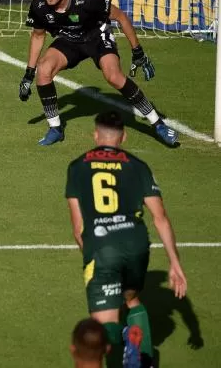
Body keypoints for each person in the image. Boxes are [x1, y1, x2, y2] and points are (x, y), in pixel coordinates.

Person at [65, 111, 188, 368]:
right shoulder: (138, 166)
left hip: (102, 248)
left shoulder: (77, 167)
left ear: (95, 135)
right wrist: (175, 263)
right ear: (124, 136)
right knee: (131, 299)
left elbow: (78, 228)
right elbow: (161, 218)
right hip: (136, 244)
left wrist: (93, 258)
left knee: (97, 333)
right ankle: (143, 359)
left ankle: (125, 338)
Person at [19, 0, 177, 147]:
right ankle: (55, 128)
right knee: (43, 71)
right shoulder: (39, 6)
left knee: (114, 76)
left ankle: (158, 124)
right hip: (69, 40)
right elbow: (38, 37)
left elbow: (121, 17)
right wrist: (29, 73)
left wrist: (137, 51)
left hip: (97, 36)